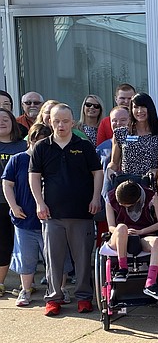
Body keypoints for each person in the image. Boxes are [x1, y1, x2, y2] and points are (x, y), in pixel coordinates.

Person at [29, 103, 103, 316]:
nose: (61, 125)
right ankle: (54, 297)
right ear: (49, 122)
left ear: (72, 122)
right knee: (53, 258)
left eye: (65, 121)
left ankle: (84, 297)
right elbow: (33, 177)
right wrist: (39, 203)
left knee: (82, 258)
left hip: (82, 212)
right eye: (56, 121)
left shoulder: (84, 145)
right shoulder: (42, 147)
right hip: (52, 214)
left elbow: (97, 173)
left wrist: (95, 197)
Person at [2, 124, 54, 306]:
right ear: (30, 140)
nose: (39, 144)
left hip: (50, 219)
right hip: (24, 218)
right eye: (36, 140)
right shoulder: (18, 159)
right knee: (26, 257)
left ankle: (58, 290)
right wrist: (14, 206)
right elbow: (7, 184)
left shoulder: (52, 159)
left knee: (54, 258)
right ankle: (25, 290)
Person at [105, 179, 158, 300]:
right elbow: (111, 227)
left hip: (142, 234)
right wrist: (122, 231)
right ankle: (122, 268)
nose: (122, 207)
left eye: (126, 206)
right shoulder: (111, 197)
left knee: (156, 241)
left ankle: (150, 283)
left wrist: (141, 232)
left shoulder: (151, 196)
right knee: (121, 227)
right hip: (119, 237)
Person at [0, 109, 31, 294]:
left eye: (5, 119)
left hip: (22, 203)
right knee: (2, 243)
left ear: (13, 122)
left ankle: (25, 284)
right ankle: (1, 282)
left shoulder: (23, 146)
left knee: (23, 245)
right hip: (0, 204)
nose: (2, 122)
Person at [110, 92, 158, 176]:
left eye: (143, 107)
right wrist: (110, 170)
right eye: (136, 107)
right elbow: (114, 163)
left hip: (151, 185)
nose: (139, 111)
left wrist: (156, 171)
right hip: (128, 185)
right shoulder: (120, 133)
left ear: (150, 108)